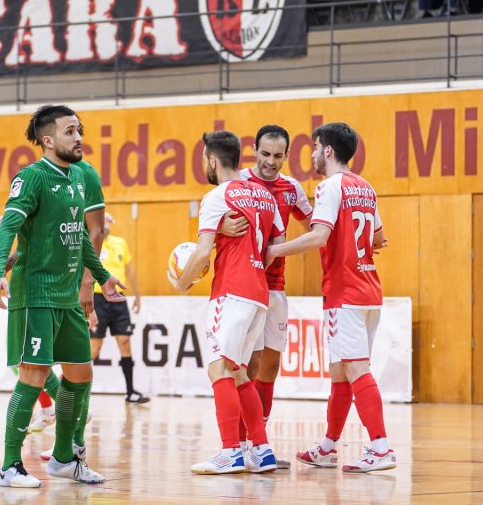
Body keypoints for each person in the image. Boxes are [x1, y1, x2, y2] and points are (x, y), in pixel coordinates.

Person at [0, 104, 125, 488]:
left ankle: (65, 458)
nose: (79, 137)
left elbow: (79, 236)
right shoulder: (31, 178)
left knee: (80, 374)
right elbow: (7, 227)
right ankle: (10, 466)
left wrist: (102, 277)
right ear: (48, 140)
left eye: (79, 130)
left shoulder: (78, 177)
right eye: (70, 132)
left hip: (67, 297)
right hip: (36, 295)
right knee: (33, 376)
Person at [267, 122, 397, 474]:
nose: (311, 154)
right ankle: (327, 447)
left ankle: (380, 447)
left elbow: (319, 236)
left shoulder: (329, 186)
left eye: (314, 147)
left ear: (327, 150)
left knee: (355, 369)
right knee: (340, 371)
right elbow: (379, 238)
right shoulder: (365, 186)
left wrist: (275, 250)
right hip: (369, 288)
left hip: (345, 291)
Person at [170, 130, 285, 475]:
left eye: (203, 160)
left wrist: (182, 283)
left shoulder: (217, 196)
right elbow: (276, 244)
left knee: (218, 368)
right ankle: (261, 450)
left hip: (231, 289)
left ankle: (230, 451)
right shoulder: (265, 195)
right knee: (238, 372)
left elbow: (202, 252)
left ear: (212, 159)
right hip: (260, 293)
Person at [233, 126, 312, 454]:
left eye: (278, 156)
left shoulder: (292, 188)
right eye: (265, 154)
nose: (270, 161)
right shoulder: (238, 181)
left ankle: (258, 443)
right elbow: (215, 222)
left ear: (287, 155)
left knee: (269, 367)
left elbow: (317, 227)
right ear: (254, 150)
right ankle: (238, 443)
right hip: (243, 286)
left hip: (275, 286)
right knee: (244, 366)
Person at [90, 213, 148, 404]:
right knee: (94, 348)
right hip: (97, 299)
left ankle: (130, 392)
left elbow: (129, 271)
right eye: (103, 221)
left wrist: (137, 295)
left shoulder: (120, 243)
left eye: (108, 222)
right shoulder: (91, 243)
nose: (105, 225)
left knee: (125, 342)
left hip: (118, 299)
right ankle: (76, 391)